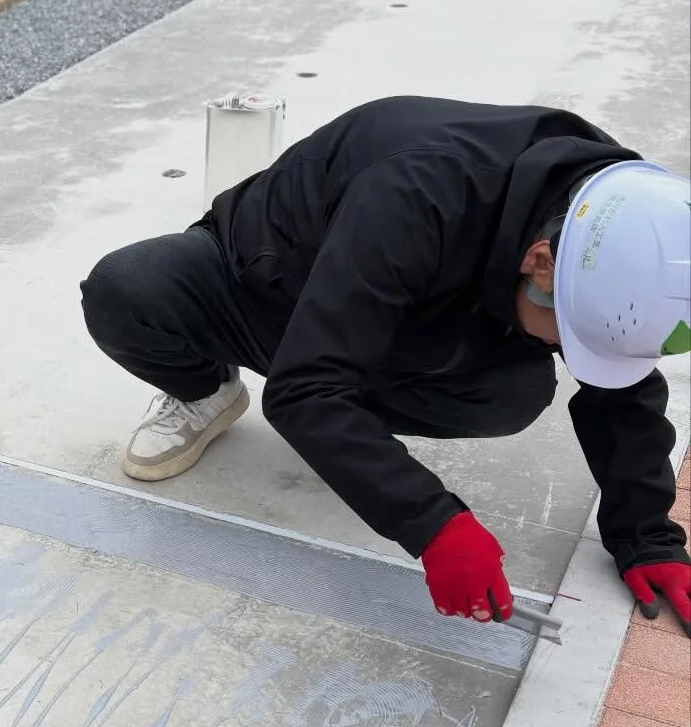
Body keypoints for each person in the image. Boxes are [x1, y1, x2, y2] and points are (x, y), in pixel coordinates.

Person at [81, 96, 691, 633]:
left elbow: (624, 389)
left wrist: (646, 536)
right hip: (270, 289)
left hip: (412, 301)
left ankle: (347, 424)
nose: (572, 354)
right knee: (126, 292)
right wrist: (434, 524)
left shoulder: (620, 213)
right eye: (573, 337)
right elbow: (301, 391)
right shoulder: (413, 194)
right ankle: (207, 388)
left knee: (510, 393)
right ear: (540, 263)